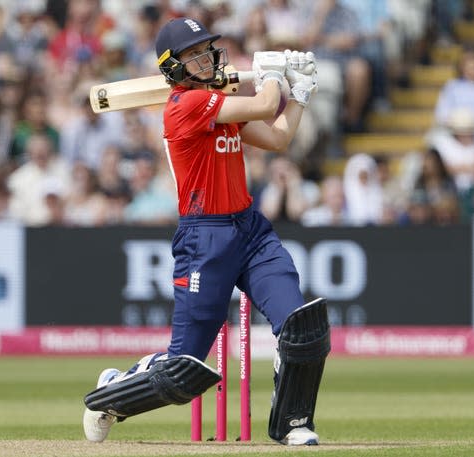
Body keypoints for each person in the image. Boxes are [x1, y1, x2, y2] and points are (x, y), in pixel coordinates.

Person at [82, 17, 330, 447]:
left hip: (250, 230)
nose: (206, 57)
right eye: (194, 53)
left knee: (299, 325)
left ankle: (293, 422)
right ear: (173, 66)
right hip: (205, 239)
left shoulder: (217, 100)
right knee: (185, 369)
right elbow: (262, 105)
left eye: (206, 50)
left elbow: (277, 138)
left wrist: (302, 93)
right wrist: (273, 73)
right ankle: (112, 394)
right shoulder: (185, 106)